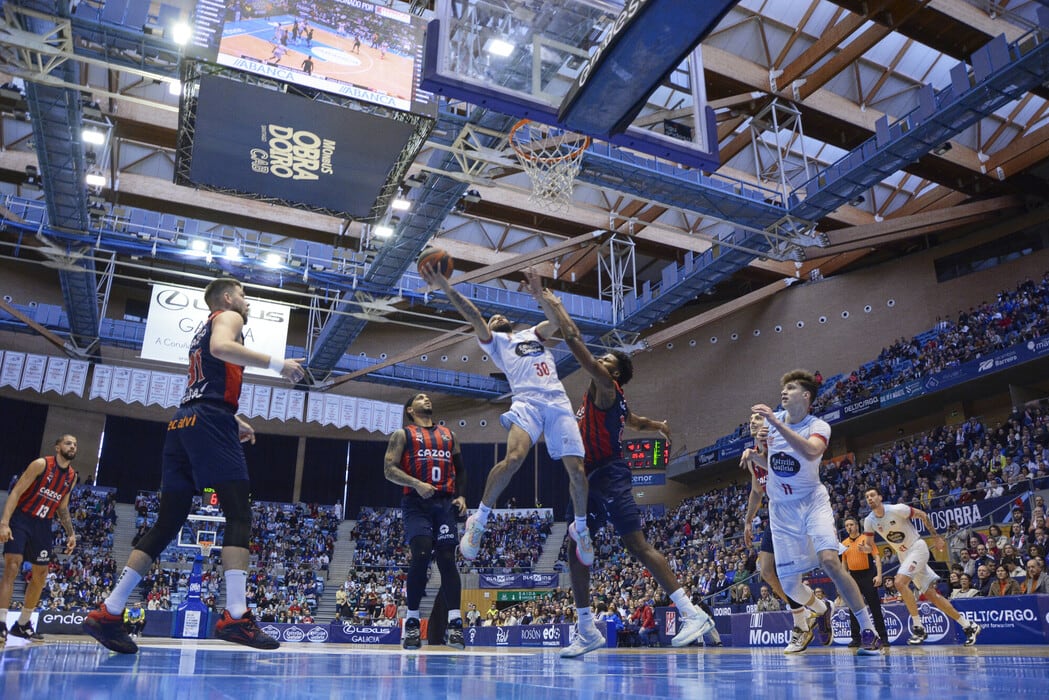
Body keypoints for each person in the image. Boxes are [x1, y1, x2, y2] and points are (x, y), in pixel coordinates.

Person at [83, 277, 304, 653]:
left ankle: (109, 610)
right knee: (238, 513)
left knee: (167, 522)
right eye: (246, 297)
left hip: (184, 421)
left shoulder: (202, 329)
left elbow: (202, 385)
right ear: (230, 297)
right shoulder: (227, 316)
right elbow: (222, 349)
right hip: (207, 422)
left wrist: (233, 419)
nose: (247, 304)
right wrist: (277, 363)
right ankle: (236, 615)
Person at [525, 281, 714, 657]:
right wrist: (657, 424)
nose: (602, 361)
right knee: (576, 547)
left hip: (609, 474)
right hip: (586, 479)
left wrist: (556, 306)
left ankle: (692, 613)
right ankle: (585, 629)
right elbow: (636, 420)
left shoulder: (606, 388)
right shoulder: (617, 402)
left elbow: (577, 341)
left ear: (614, 374)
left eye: (608, 361)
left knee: (637, 546)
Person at [418, 265, 594, 567]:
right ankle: (479, 520)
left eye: (498, 316)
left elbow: (558, 324)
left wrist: (541, 296)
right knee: (513, 459)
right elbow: (473, 314)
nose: (495, 317)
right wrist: (447, 287)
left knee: (577, 471)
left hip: (557, 403)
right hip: (526, 403)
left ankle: (580, 527)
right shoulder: (495, 343)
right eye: (491, 318)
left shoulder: (531, 334)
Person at [744, 370, 883, 655]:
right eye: (783, 386)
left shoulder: (818, 425)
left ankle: (868, 630)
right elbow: (774, 465)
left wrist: (773, 423)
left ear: (805, 396)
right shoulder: (770, 425)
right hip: (781, 511)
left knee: (830, 561)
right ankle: (823, 609)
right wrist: (756, 454)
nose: (784, 390)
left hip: (812, 503)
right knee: (791, 587)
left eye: (791, 387)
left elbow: (810, 452)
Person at [383, 392, 467, 650]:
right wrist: (417, 483)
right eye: (420, 397)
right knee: (420, 555)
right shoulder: (402, 434)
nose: (427, 399)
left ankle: (454, 624)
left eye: (428, 397)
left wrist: (462, 495)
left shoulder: (448, 434)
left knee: (446, 559)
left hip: (444, 504)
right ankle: (411, 622)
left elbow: (460, 468)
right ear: (410, 409)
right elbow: (389, 470)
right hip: (416, 502)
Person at [861, 487, 981, 646]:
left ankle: (918, 628)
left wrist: (936, 537)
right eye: (867, 496)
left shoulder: (898, 509)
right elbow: (870, 546)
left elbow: (923, 515)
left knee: (899, 582)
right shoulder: (869, 521)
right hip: (904, 556)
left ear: (880, 497)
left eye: (872, 495)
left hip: (917, 547)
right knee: (932, 595)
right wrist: (866, 549)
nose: (870, 498)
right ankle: (969, 626)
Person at [741, 411, 814, 653]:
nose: (752, 422)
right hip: (776, 515)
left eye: (757, 419)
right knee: (766, 571)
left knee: (793, 572)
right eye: (750, 420)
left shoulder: (781, 446)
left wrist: (762, 449)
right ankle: (808, 614)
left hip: (798, 512)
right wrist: (749, 520)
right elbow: (756, 490)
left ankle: (804, 622)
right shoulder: (753, 458)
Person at [0, 434, 79, 648]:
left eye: (75, 444)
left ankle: (23, 624)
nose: (72, 446)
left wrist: (71, 533)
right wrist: (5, 523)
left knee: (41, 575)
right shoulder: (41, 464)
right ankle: (1, 622)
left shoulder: (72, 477)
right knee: (12, 566)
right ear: (57, 446)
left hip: (43, 524)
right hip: (22, 518)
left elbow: (62, 507)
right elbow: (16, 492)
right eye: (68, 443)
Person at [841, 516, 889, 648]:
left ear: (856, 526)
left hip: (868, 575)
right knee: (853, 608)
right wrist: (843, 580)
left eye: (851, 524)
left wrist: (879, 575)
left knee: (875, 607)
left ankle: (883, 637)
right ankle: (856, 638)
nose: (849, 527)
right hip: (853, 577)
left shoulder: (866, 539)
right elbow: (844, 564)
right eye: (846, 525)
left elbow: (877, 558)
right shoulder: (844, 544)